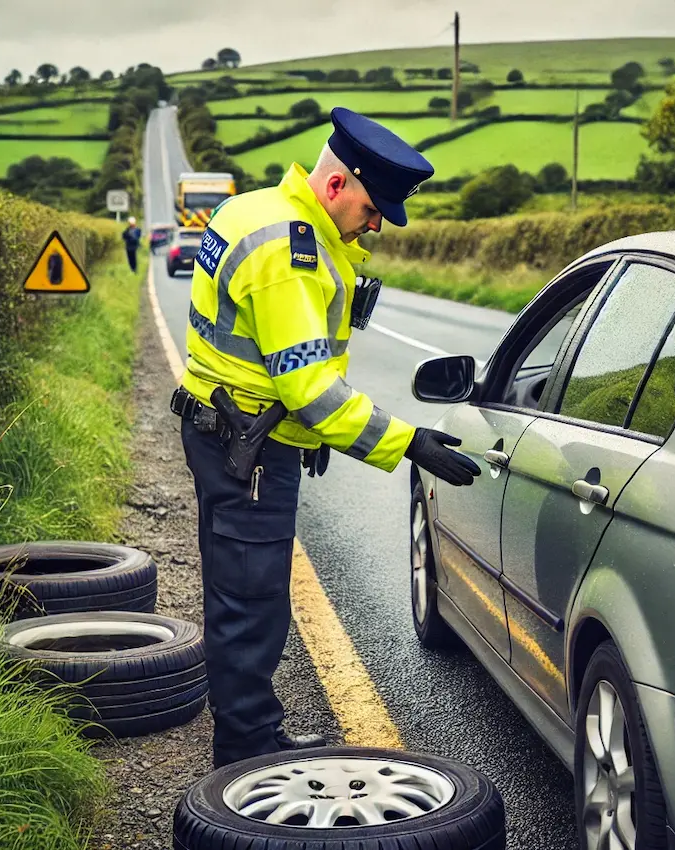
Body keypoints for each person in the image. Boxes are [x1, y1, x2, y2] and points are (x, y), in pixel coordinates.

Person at [170, 107, 481, 769]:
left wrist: (300, 428)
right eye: (372, 209)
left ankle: (257, 729)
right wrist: (407, 443)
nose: (375, 225)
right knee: (250, 605)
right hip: (246, 447)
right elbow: (310, 390)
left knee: (245, 593)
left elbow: (261, 351)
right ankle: (245, 756)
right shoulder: (291, 253)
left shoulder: (250, 208)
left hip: (229, 428)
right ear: (337, 185)